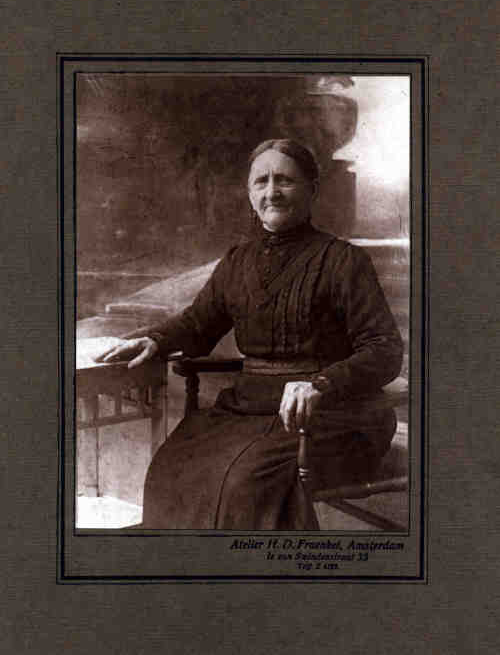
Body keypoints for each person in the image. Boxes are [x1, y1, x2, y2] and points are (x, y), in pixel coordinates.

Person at [99, 138, 404, 530]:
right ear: (249, 194)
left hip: (330, 417)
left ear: (311, 189)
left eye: (285, 180)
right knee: (169, 466)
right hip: (247, 409)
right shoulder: (238, 260)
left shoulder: (343, 260)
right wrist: (156, 340)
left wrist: (321, 384)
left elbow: (384, 349)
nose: (271, 192)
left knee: (245, 483)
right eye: (261, 182)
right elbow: (199, 323)